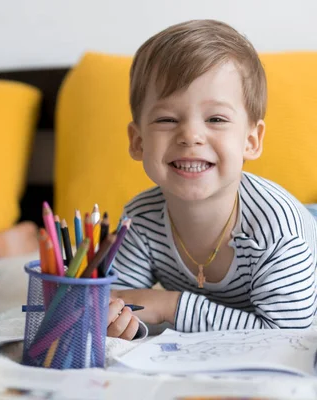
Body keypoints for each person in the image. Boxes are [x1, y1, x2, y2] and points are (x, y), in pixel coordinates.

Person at [107, 19, 317, 339]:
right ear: (138, 142)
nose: (191, 135)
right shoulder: (140, 218)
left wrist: (172, 306)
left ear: (251, 140)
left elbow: (289, 336)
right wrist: (121, 321)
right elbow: (126, 304)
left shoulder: (278, 231)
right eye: (167, 119)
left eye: (216, 119)